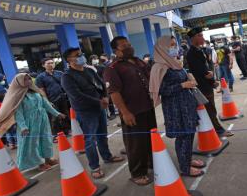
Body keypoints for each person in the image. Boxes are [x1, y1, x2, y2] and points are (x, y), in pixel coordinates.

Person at [61, 47, 124, 179]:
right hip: (85, 111)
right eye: (77, 55)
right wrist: (98, 101)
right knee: (90, 139)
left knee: (102, 135)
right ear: (69, 60)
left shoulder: (89, 70)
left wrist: (105, 97)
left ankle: (107, 156)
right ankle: (94, 166)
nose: (81, 56)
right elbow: (76, 95)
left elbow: (101, 85)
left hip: (100, 107)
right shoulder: (67, 77)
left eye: (81, 54)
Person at [104, 36, 157, 185]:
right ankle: (137, 172)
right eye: (124, 46)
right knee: (135, 143)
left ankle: (152, 162)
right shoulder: (112, 68)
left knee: (150, 138)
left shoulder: (138, 61)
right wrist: (125, 112)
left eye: (129, 44)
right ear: (116, 51)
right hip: (132, 111)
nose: (129, 47)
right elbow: (114, 92)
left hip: (147, 107)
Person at [149, 36, 205, 177]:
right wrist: (182, 85)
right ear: (162, 48)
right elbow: (161, 91)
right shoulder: (159, 67)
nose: (175, 48)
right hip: (176, 108)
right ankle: (184, 167)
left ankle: (188, 159)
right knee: (183, 137)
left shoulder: (174, 63)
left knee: (189, 135)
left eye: (175, 45)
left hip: (187, 104)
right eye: (171, 45)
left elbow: (182, 76)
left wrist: (189, 78)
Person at [0, 73, 65, 171]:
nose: (29, 81)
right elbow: (18, 114)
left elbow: (45, 104)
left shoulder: (35, 91)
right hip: (28, 123)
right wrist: (23, 126)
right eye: (25, 79)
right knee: (32, 143)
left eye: (29, 79)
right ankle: (40, 163)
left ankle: (48, 159)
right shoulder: (17, 96)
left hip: (42, 119)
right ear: (19, 82)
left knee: (46, 139)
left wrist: (57, 113)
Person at [186, 27, 233, 137]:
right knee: (210, 110)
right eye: (200, 35)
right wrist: (211, 79)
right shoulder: (192, 53)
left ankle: (214, 129)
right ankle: (219, 131)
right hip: (202, 87)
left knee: (210, 109)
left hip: (207, 85)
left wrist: (212, 80)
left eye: (202, 35)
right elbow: (202, 72)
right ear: (193, 38)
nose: (202, 37)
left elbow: (206, 67)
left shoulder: (200, 50)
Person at [35, 58, 70, 140]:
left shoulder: (60, 73)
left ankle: (66, 131)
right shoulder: (40, 77)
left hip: (63, 97)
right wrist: (47, 101)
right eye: (48, 63)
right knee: (54, 117)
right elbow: (41, 90)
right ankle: (56, 135)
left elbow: (65, 85)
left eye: (52, 63)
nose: (51, 64)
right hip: (51, 99)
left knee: (65, 114)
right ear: (43, 65)